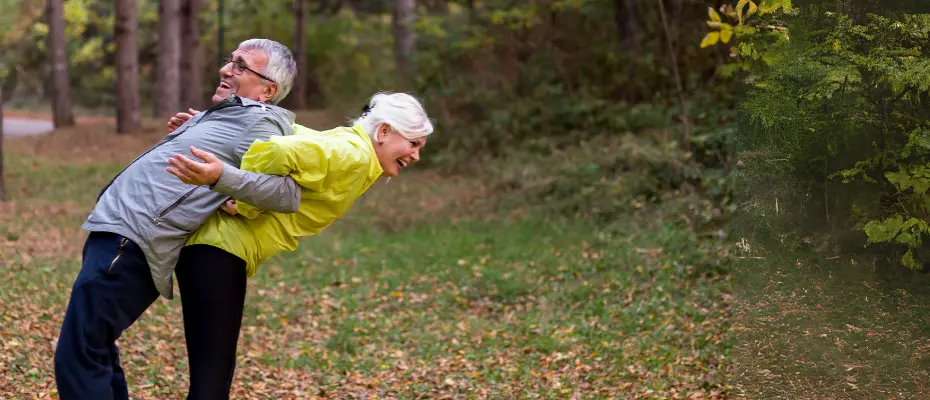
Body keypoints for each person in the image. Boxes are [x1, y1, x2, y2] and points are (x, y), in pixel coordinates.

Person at [54, 38, 301, 400]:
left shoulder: (263, 123)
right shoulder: (232, 116)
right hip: (118, 233)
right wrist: (195, 126)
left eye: (241, 66)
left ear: (267, 89)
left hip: (134, 241)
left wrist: (220, 178)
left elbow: (286, 193)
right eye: (229, 60)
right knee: (96, 348)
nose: (226, 69)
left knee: (79, 353)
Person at [162, 92, 433, 398]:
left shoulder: (352, 149)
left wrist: (210, 128)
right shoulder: (352, 154)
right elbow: (276, 150)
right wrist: (247, 202)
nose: (416, 156)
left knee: (212, 376)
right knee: (211, 383)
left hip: (217, 252)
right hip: (219, 251)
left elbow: (286, 132)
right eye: (413, 144)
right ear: (384, 132)